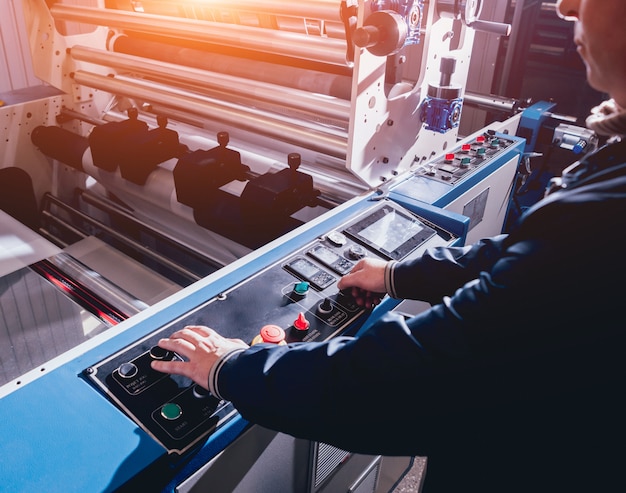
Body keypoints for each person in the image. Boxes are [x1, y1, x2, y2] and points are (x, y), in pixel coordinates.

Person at [151, 1, 626, 491]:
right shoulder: (611, 173)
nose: (567, 6)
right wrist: (398, 274)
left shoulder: (605, 210)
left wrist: (232, 368)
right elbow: (528, 255)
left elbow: (413, 377)